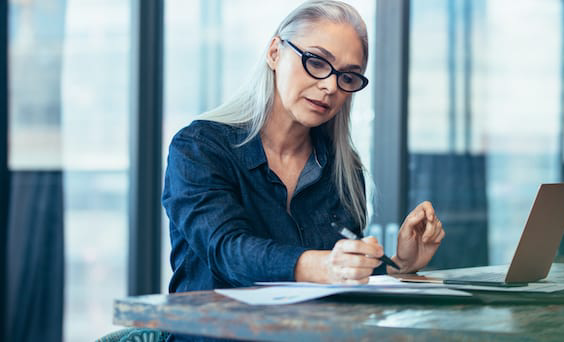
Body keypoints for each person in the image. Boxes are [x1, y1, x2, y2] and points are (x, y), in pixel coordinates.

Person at [162, 0, 445, 296]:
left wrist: (398, 264)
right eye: (317, 62)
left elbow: (341, 274)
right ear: (274, 53)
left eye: (347, 77)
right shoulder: (199, 148)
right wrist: (324, 268)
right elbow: (226, 250)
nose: (331, 87)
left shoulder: (342, 169)